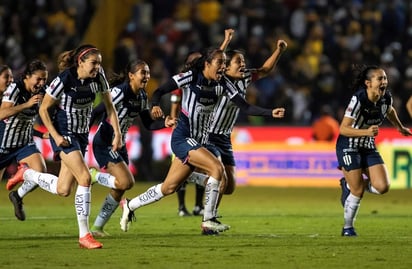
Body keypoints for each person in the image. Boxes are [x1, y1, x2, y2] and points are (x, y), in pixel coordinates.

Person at [119, 47, 285, 235]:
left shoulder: (222, 82)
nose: (222, 67)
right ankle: (208, 220)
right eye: (219, 63)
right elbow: (159, 90)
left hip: (201, 140)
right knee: (217, 169)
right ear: (207, 64)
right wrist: (155, 104)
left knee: (168, 187)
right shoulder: (190, 77)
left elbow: (244, 106)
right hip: (183, 138)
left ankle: (130, 205)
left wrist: (270, 112)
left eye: (224, 63)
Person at [7, 44, 122, 249]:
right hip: (64, 135)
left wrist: (118, 133)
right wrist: (56, 136)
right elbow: (43, 109)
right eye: (94, 63)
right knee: (85, 178)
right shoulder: (64, 79)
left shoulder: (99, 76)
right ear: (81, 62)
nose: (97, 67)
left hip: (82, 136)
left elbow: (109, 106)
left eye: (99, 63)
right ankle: (84, 235)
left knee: (63, 189)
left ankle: (27, 175)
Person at [187, 40, 287, 218]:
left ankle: (190, 177)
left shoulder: (245, 77)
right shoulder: (218, 81)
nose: (243, 65)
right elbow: (210, 60)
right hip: (209, 135)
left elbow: (265, 70)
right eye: (238, 62)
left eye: (243, 61)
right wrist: (225, 42)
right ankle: (210, 217)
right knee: (221, 178)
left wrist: (278, 50)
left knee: (230, 187)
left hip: (225, 137)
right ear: (225, 67)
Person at [88, 59, 176, 237]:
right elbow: (97, 111)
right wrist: (84, 136)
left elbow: (148, 124)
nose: (147, 76)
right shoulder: (119, 92)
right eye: (143, 72)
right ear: (131, 76)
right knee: (127, 182)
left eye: (148, 73)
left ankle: (97, 227)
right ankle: (93, 175)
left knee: (121, 188)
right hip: (105, 142)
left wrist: (164, 122)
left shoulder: (142, 96)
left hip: (119, 145)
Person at [336, 65, 411, 237]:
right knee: (358, 191)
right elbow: (343, 129)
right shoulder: (359, 99)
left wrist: (399, 127)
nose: (384, 81)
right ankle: (348, 228)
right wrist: (367, 132)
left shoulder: (386, 98)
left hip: (368, 146)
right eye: (380, 78)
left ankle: (348, 183)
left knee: (383, 187)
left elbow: (389, 111)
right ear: (368, 83)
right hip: (349, 145)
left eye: (385, 78)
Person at [174, 29, 234, 217]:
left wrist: (225, 42)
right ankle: (184, 207)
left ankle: (200, 207)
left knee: (206, 170)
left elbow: (216, 60)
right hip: (183, 134)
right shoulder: (186, 79)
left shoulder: (210, 78)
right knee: (181, 178)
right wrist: (171, 118)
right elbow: (175, 101)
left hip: (202, 136)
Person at [1, 60, 48, 221]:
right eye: (38, 79)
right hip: (3, 144)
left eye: (44, 79)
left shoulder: (43, 91)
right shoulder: (15, 88)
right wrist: (26, 104)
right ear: (27, 76)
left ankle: (17, 195)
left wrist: (43, 134)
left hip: (24, 143)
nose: (41, 83)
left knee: (40, 171)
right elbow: (2, 114)